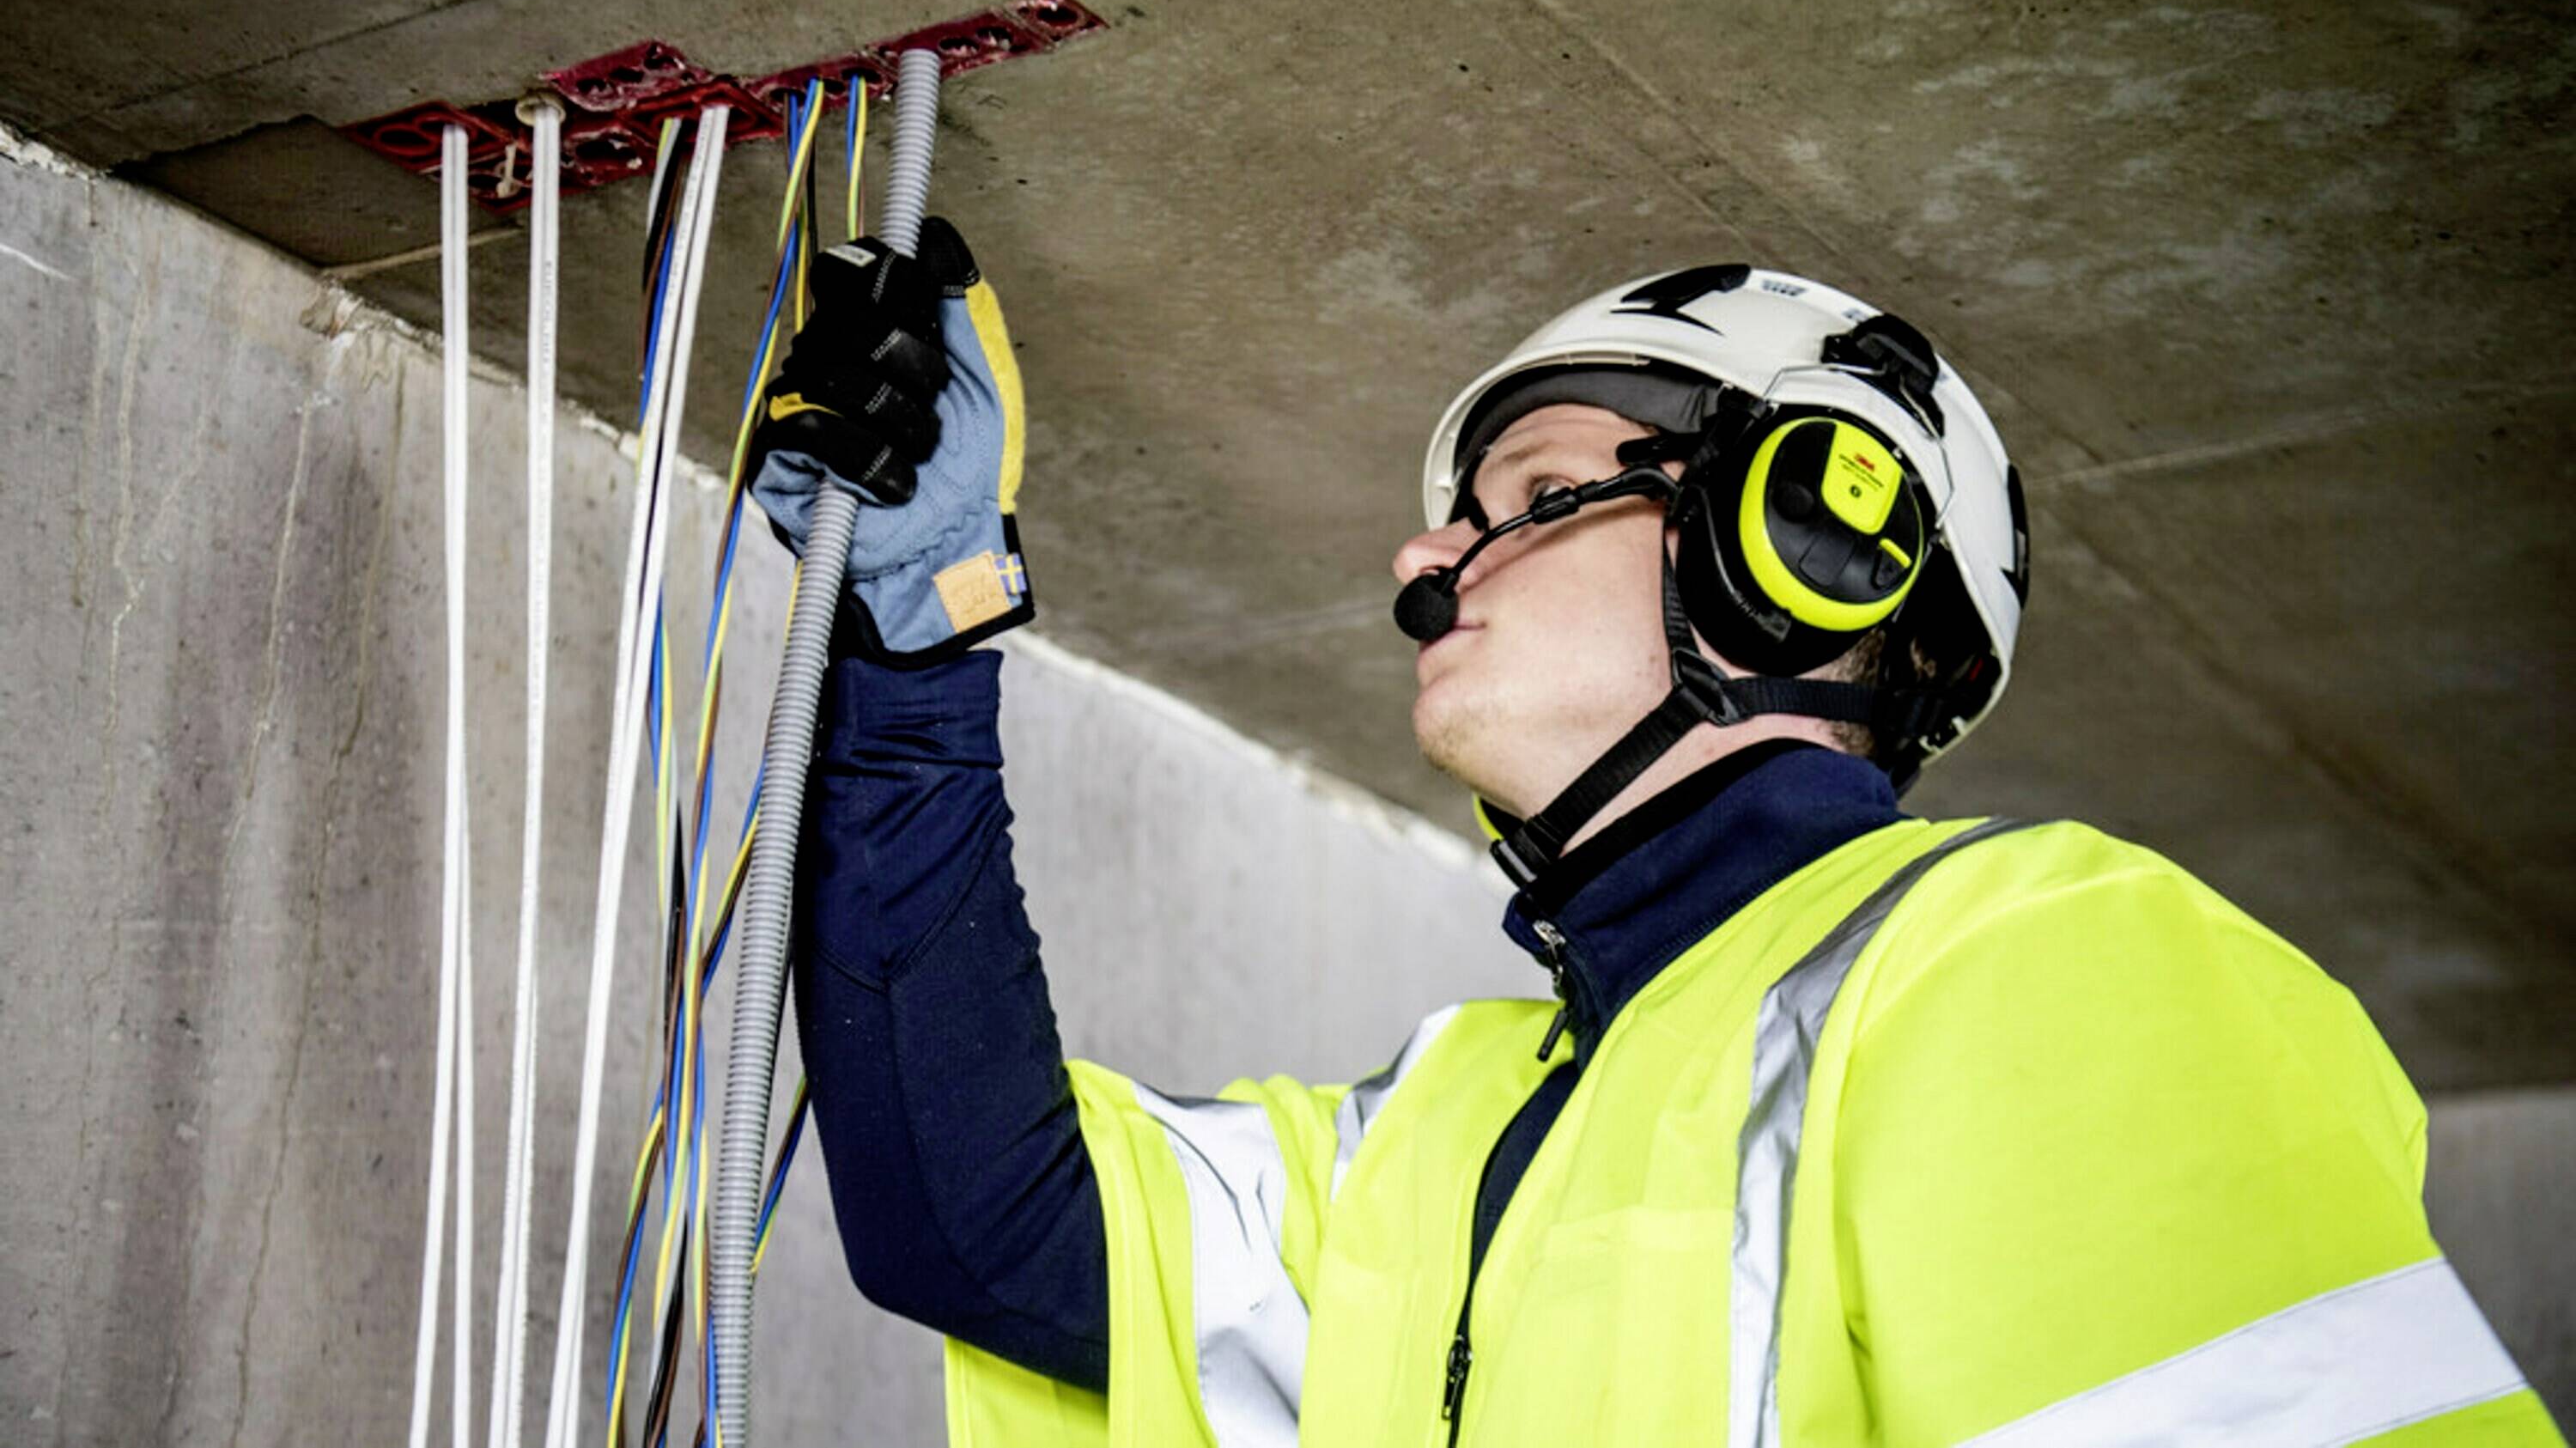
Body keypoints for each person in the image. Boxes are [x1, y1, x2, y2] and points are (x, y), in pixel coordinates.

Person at [749, 230, 2557, 1445]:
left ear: (1800, 549)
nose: (1421, 558)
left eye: (1534, 493)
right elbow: (987, 1227)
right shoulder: (1459, 1113)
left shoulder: (2039, 957)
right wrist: (918, 635)